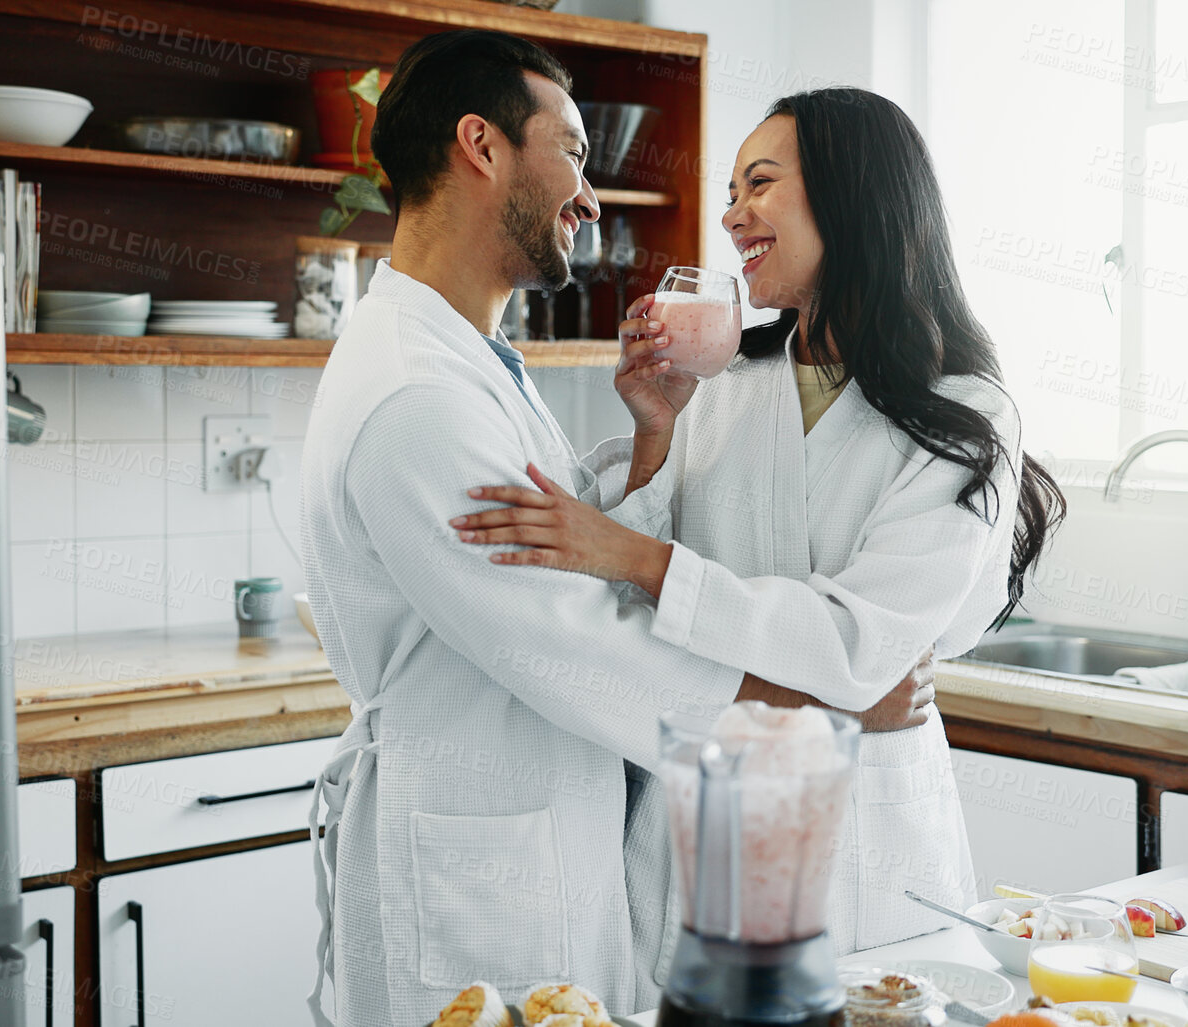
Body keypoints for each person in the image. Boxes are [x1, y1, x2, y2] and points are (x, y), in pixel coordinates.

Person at [296, 34, 931, 1027]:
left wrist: (650, 439)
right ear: (482, 146)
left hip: (534, 835)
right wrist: (819, 703)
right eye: (577, 154)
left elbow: (570, 561)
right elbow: (583, 643)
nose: (589, 197)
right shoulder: (415, 399)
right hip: (477, 868)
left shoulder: (464, 360)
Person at [453, 87, 1068, 963]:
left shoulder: (964, 414)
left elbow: (861, 649)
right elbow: (625, 610)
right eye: (732, 189)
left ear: (852, 197)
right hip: (709, 802)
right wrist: (655, 431)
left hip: (864, 824)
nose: (732, 213)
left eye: (759, 185)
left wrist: (638, 555)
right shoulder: (723, 381)